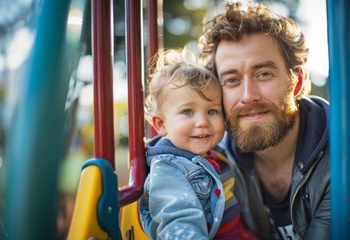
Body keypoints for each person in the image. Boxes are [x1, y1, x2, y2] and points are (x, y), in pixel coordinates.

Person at [199, 1, 330, 240]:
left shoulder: (341, 156)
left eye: (264, 74)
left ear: (297, 82)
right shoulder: (214, 164)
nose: (248, 96)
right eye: (231, 80)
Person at [138, 49, 258, 239]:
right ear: (161, 124)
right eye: (187, 112)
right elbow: (180, 220)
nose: (202, 122)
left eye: (212, 111)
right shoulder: (168, 168)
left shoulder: (215, 153)